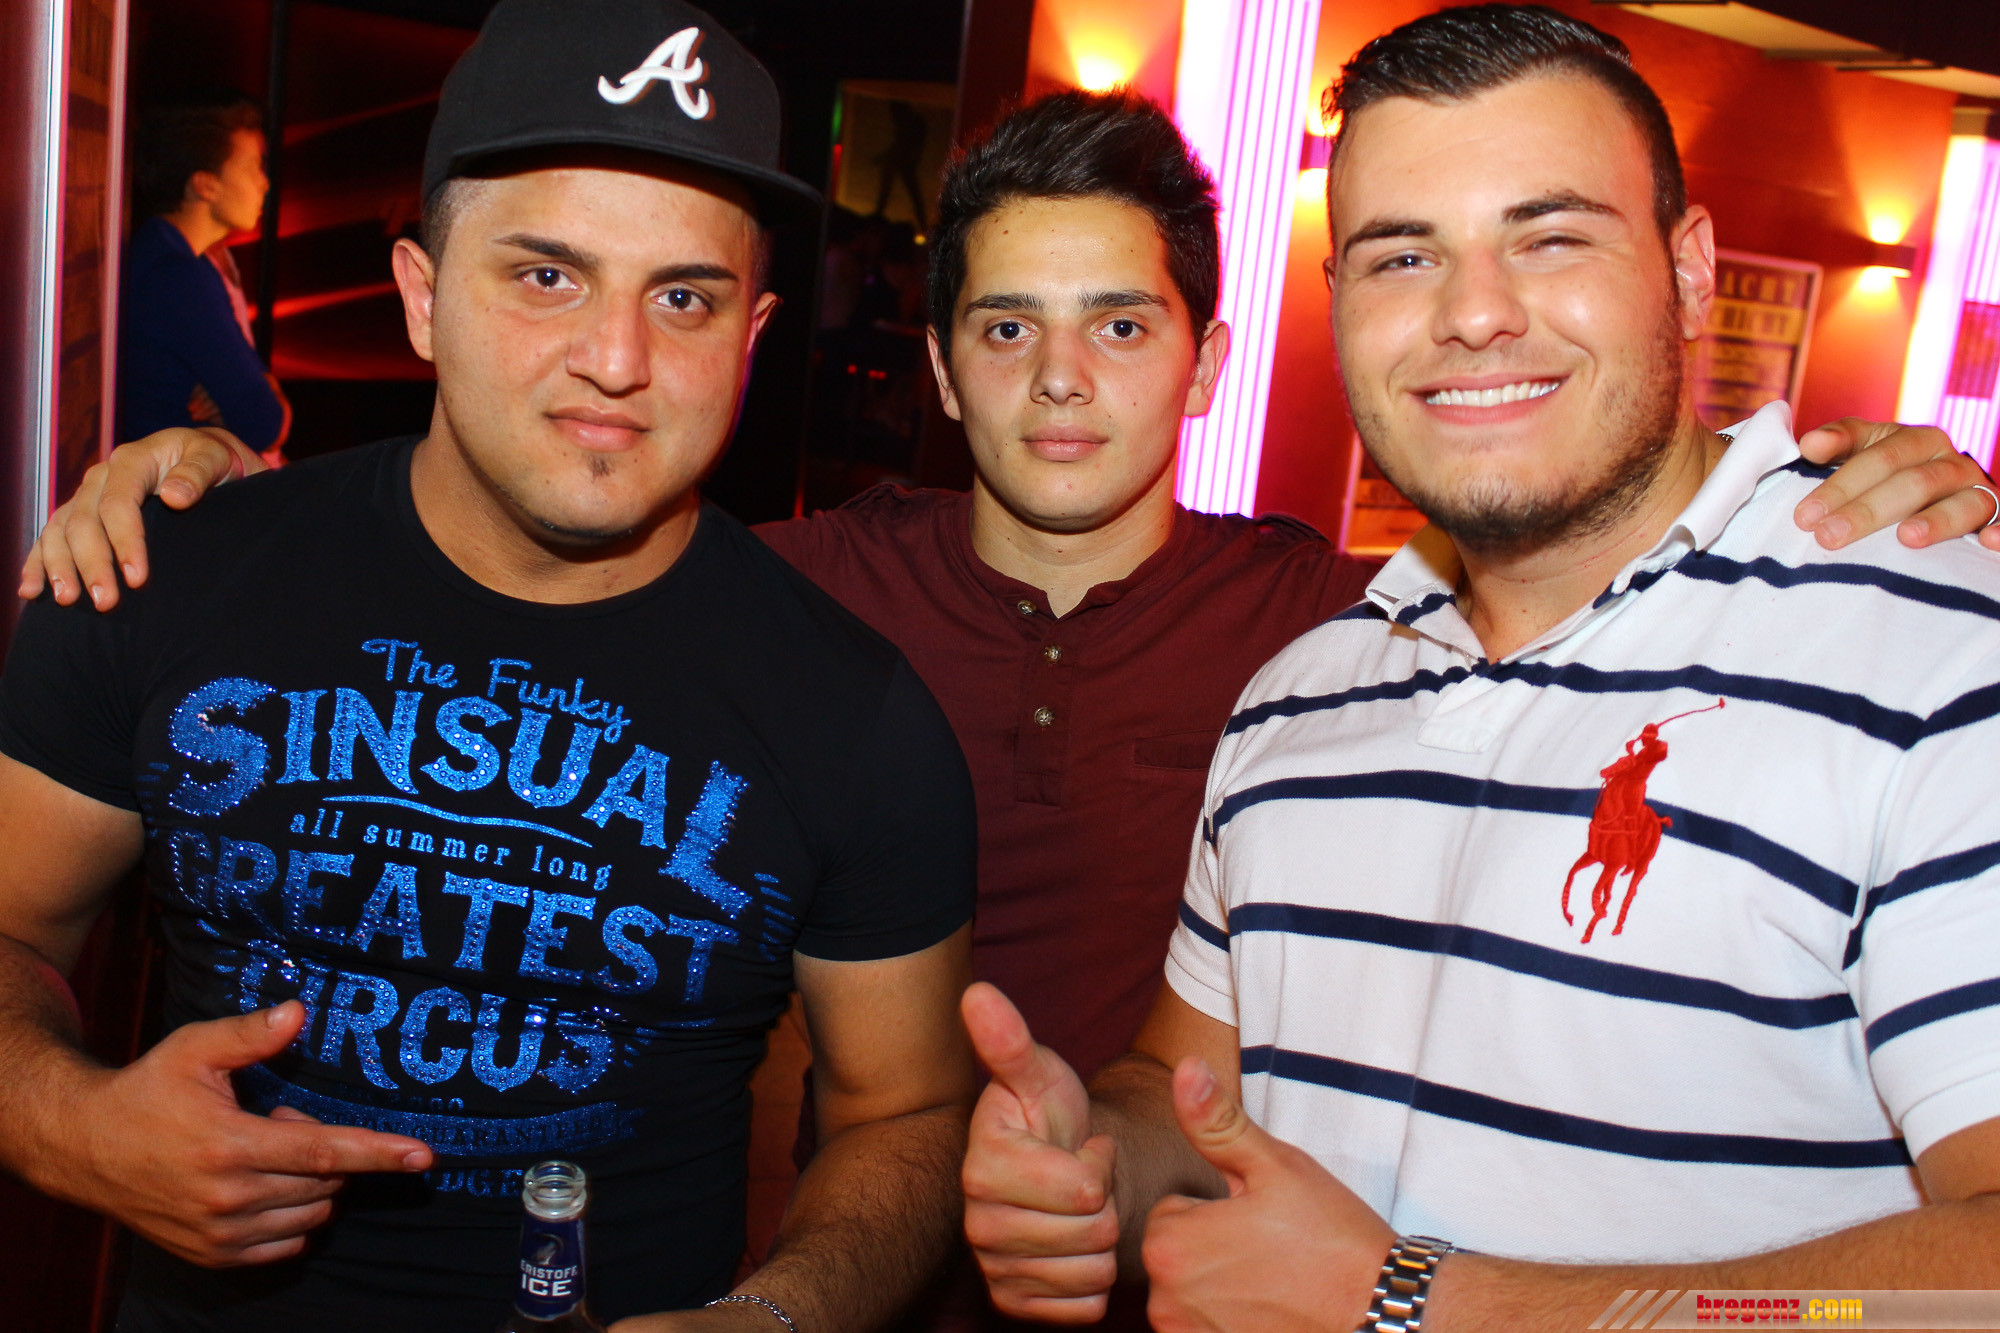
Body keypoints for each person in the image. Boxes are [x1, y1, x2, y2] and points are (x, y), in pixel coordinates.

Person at [22, 86, 1999, 1331]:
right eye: (1006, 328)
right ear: (944, 369)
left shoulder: (1334, 639)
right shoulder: (783, 603)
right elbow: (519, 557)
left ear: (1206, 360)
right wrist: (188, 487)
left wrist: (1882, 488)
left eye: (1121, 325)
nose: (1063, 383)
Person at [956, 6, 2000, 1329]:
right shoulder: (1299, 698)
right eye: (1402, 256)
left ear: (1688, 272)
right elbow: (1188, 1086)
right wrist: (1094, 1163)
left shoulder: (1937, 662)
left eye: (1550, 237)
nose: (1473, 314)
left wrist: (1419, 1302)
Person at [0, 3, 981, 1332]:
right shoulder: (160, 581)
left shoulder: (855, 714)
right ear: (420, 296)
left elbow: (908, 1112)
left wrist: (773, 1317)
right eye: (546, 276)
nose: (616, 361)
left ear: (750, 335)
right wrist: (73, 1127)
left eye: (681, 298)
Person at [121, 89, 290, 459]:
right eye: (253, 166)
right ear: (205, 185)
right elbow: (265, 424)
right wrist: (270, 392)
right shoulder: (178, 277)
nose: (264, 182)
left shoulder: (170, 256)